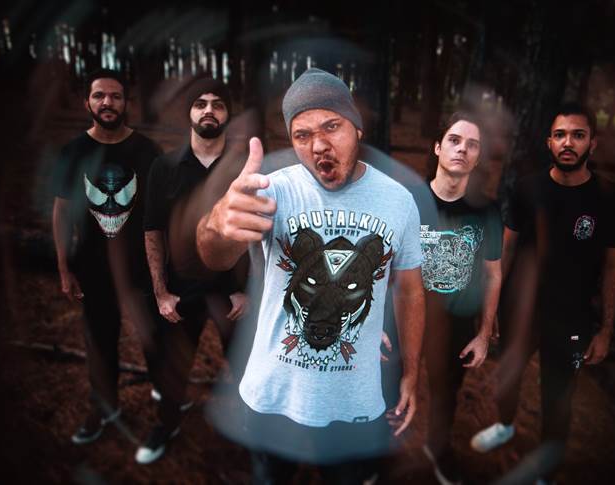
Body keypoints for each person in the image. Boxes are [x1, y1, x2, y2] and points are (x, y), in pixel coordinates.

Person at [197, 68, 425, 483]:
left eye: (331, 127)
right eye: (301, 135)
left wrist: (410, 373)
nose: (319, 145)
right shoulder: (270, 191)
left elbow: (409, 291)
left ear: (357, 128)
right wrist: (217, 222)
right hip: (271, 397)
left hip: (353, 403)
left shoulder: (399, 201)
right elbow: (214, 256)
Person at [470, 103, 615, 479]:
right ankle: (504, 425)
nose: (567, 143)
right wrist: (491, 310)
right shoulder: (528, 188)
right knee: (507, 376)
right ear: (549, 143)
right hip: (520, 309)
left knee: (559, 396)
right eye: (560, 135)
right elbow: (506, 249)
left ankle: (546, 467)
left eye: (578, 135)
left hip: (572, 317)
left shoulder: (611, 197)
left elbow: (613, 266)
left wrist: (606, 330)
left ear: (593, 143)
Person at [135, 78, 248, 464]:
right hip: (181, 290)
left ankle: (253, 432)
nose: (209, 110)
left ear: (227, 113)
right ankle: (166, 424)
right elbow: (153, 230)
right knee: (171, 369)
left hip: (230, 293)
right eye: (200, 103)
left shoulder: (242, 168)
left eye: (218, 104)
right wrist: (161, 291)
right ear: (190, 112)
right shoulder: (164, 167)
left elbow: (258, 235)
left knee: (247, 365)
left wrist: (247, 289)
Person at [51, 68, 162, 444]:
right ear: (87, 102)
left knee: (155, 338)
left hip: (142, 268)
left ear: (126, 103)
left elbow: (162, 213)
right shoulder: (73, 152)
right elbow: (61, 212)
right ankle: (104, 407)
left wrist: (163, 270)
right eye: (99, 96)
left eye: (115, 96)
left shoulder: (147, 151)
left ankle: (166, 404)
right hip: (93, 268)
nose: (107, 102)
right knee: (100, 343)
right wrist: (64, 267)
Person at [419, 112, 502, 484]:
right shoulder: (409, 199)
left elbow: (493, 274)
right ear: (438, 147)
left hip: (456, 321)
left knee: (446, 392)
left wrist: (484, 334)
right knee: (386, 386)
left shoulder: (486, 211)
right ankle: (376, 456)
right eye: (454, 140)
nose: (462, 149)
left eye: (472, 145)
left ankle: (436, 449)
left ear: (478, 157)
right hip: (407, 314)